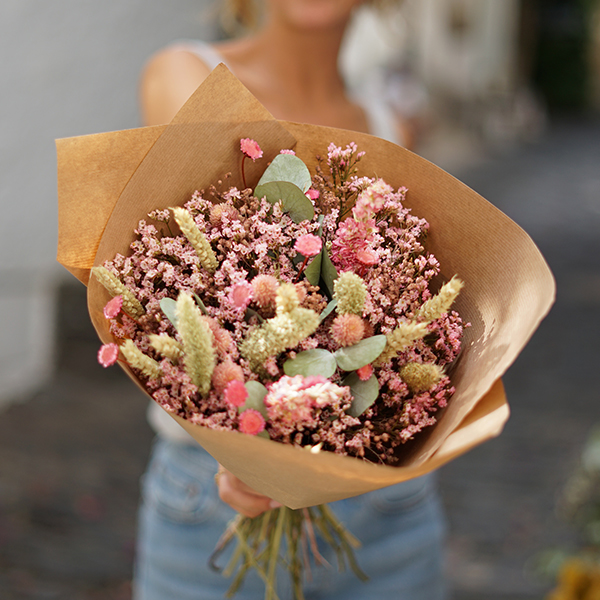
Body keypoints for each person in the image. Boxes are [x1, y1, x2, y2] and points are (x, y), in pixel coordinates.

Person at [133, 1, 446, 598]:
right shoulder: (185, 79)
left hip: (388, 508)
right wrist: (244, 448)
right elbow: (176, 293)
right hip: (212, 504)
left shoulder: (389, 127)